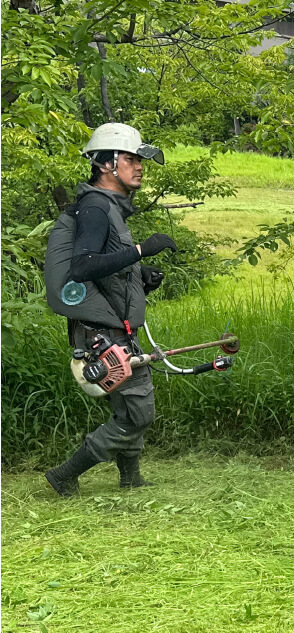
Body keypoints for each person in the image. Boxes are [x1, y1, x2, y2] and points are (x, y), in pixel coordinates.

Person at [43, 123, 178, 497]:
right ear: (105, 163)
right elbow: (82, 266)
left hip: (112, 328)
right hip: (103, 333)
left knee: (132, 403)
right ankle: (65, 473)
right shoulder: (97, 208)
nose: (139, 167)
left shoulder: (108, 208)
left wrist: (141, 273)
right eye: (131, 159)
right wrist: (140, 251)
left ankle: (130, 476)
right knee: (139, 411)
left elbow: (104, 265)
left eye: (140, 160)